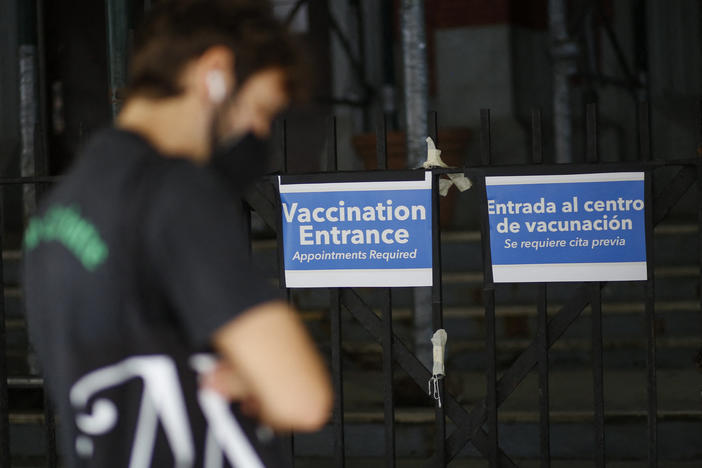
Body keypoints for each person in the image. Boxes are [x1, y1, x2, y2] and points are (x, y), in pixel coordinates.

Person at [21, 1, 332, 467]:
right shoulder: (175, 192)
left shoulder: (59, 210)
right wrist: (253, 377)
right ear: (216, 72)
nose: (260, 131)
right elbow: (301, 399)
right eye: (261, 108)